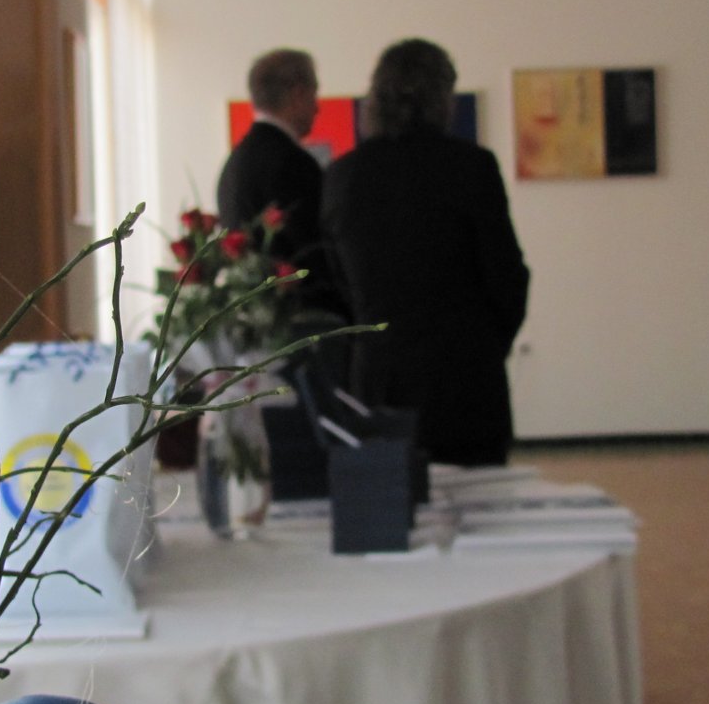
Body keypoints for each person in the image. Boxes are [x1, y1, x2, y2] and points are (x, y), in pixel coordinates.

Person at [321, 38, 530, 467]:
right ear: (442, 98)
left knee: (387, 502)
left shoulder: (343, 176)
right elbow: (508, 277)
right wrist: (488, 345)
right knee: (481, 502)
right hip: (467, 383)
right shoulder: (472, 167)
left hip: (379, 383)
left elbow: (338, 281)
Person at [216, 48, 339, 312]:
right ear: (298, 94)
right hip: (303, 319)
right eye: (314, 95)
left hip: (253, 318)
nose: (317, 108)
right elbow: (318, 255)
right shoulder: (293, 163)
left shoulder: (233, 164)